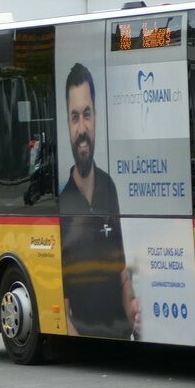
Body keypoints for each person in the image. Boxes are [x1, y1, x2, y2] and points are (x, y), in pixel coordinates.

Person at [59, 62, 140, 339]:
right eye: (74, 117)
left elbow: (121, 274)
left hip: (120, 338)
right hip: (88, 341)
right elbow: (63, 308)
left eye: (87, 114)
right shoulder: (61, 205)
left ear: (96, 117)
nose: (82, 127)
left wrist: (133, 309)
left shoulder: (109, 188)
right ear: (67, 124)